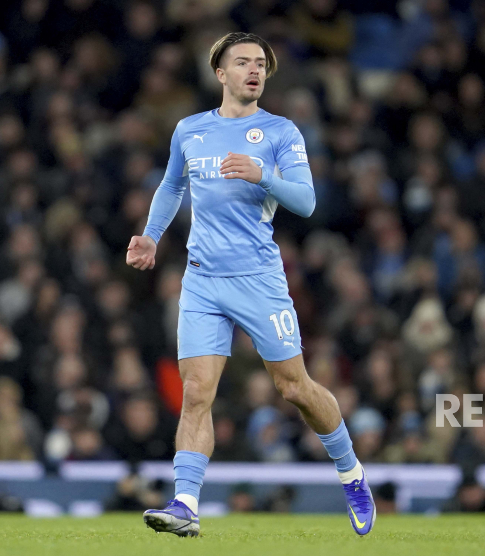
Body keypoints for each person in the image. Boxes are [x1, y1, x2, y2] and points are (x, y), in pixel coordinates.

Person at [128, 32, 374, 537]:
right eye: (242, 63)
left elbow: (306, 203)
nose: (253, 70)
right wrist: (151, 237)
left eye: (260, 63)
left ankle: (351, 473)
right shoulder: (189, 131)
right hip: (200, 282)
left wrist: (262, 174)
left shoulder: (281, 132)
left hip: (258, 281)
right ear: (220, 74)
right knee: (197, 393)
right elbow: (172, 185)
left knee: (294, 389)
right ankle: (185, 503)